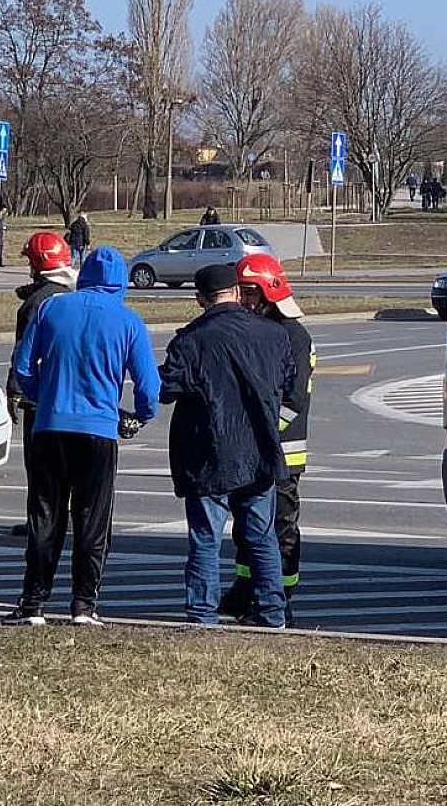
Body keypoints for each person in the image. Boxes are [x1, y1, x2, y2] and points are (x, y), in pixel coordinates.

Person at [7, 245, 160, 626]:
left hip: (50, 427)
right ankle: (83, 606)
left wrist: (45, 398)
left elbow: (23, 367)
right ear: (121, 282)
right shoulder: (128, 322)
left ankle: (33, 605)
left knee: (45, 516)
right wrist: (137, 416)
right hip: (98, 430)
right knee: (93, 520)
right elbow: (148, 389)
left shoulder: (50, 308)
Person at [160, 263, 295, 627]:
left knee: (206, 538)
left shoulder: (190, 340)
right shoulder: (274, 335)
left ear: (200, 298)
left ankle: (203, 614)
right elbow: (288, 381)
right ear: (236, 292)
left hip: (207, 452)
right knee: (262, 537)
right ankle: (272, 613)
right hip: (259, 451)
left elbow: (168, 390)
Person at [219, 253, 313, 620]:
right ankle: (245, 590)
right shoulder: (263, 331)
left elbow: (291, 401)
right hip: (255, 450)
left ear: (269, 292)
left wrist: (263, 435)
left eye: (250, 293)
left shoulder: (294, 337)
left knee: (281, 528)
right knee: (248, 528)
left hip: (283, 454)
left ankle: (281, 597)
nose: (244, 302)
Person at [7, 231, 77, 539]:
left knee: (39, 463)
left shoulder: (35, 304)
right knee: (66, 463)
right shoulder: (74, 296)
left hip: (40, 395)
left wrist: (15, 389)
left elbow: (23, 351)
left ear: (38, 263)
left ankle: (41, 519)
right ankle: (66, 515)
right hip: (71, 391)